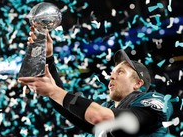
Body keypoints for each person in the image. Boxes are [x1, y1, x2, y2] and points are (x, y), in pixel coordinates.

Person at [18, 26, 173, 136]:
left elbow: (101, 117)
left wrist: (53, 90)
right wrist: (49, 58)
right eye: (112, 72)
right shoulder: (108, 108)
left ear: (138, 83)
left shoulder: (153, 102)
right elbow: (66, 107)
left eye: (120, 72)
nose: (112, 76)